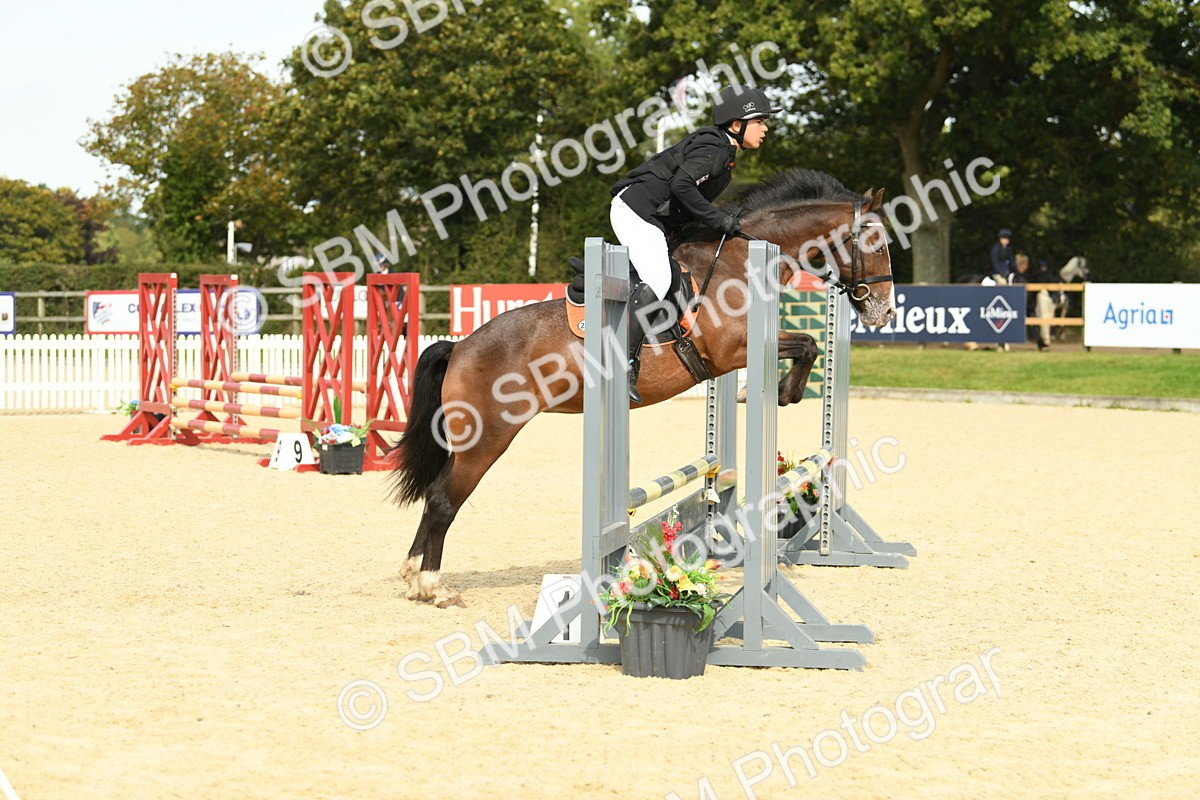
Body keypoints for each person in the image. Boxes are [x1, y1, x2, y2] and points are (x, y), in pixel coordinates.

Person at [609, 84, 782, 403]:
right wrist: (718, 220)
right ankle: (623, 364)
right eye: (759, 121)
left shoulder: (723, 153)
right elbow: (681, 185)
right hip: (636, 211)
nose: (765, 128)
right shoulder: (713, 147)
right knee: (658, 278)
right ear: (736, 125)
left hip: (654, 217)